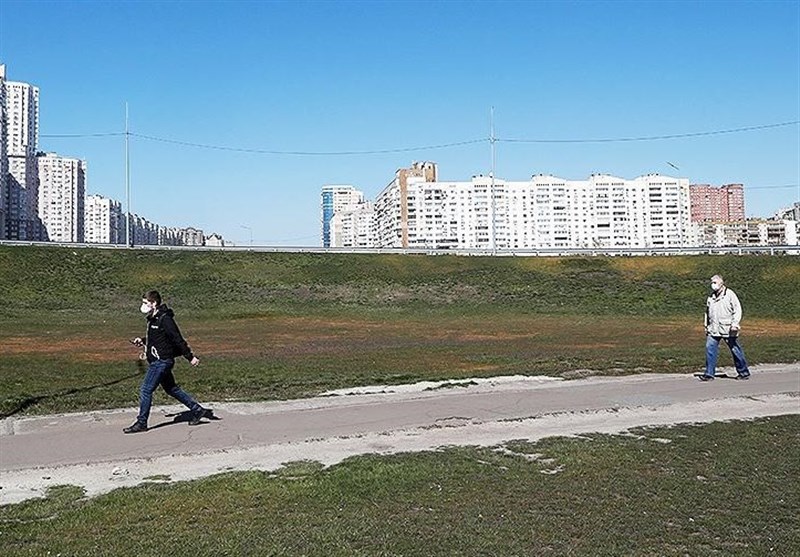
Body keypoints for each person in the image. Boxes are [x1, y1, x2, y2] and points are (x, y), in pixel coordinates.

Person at [124, 290, 209, 433]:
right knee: (171, 389)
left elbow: (178, 339)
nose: (143, 305)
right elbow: (157, 338)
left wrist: (190, 357)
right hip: (158, 361)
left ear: (154, 303)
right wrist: (143, 341)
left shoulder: (165, 319)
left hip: (161, 361)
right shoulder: (153, 318)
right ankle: (197, 409)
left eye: (145, 303)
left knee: (146, 390)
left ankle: (141, 423)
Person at [700, 275, 751, 381]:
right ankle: (709, 374)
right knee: (710, 348)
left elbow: (737, 310)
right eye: (712, 282)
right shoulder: (711, 297)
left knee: (735, 350)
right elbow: (707, 312)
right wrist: (706, 325)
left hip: (728, 328)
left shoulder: (730, 295)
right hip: (714, 328)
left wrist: (735, 324)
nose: (713, 285)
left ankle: (743, 372)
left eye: (715, 282)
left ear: (721, 283)